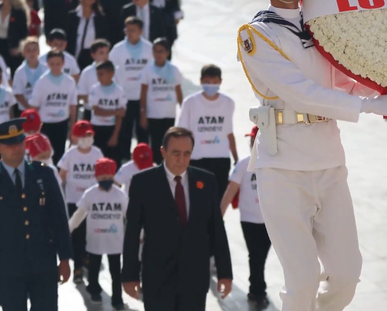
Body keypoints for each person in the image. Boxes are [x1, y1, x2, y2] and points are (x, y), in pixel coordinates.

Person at [237, 0, 387, 311]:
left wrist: (380, 91)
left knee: (346, 273)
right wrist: (365, 107)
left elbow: (343, 73)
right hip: (283, 166)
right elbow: (300, 92)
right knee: (302, 280)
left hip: (328, 160)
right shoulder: (257, 35)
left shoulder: (322, 25)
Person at [122, 127, 233, 310]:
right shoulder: (143, 183)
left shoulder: (207, 181)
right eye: (175, 153)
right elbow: (132, 232)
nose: (181, 160)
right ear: (163, 152)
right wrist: (129, 275)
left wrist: (225, 273)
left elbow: (216, 230)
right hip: (157, 279)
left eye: (186, 154)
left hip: (195, 279)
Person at [0, 118, 73, 311]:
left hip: (43, 263)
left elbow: (58, 219)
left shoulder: (44, 175)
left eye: (19, 142)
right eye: (9, 145)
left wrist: (65, 258)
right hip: (8, 266)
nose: (16, 149)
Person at [220, 126, 272, 309]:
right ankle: (258, 291)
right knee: (255, 255)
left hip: (270, 220)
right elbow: (230, 191)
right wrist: (219, 217)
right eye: (251, 139)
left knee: (261, 256)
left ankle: (255, 285)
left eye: (255, 139)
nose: (252, 142)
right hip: (248, 219)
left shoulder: (275, 164)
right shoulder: (243, 164)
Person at [68, 157, 128, 309]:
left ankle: (117, 298)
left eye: (109, 177)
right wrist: (68, 229)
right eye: (103, 177)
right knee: (93, 269)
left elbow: (131, 216)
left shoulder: (120, 195)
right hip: (95, 239)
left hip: (115, 241)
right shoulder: (90, 194)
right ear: (96, 176)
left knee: (116, 272)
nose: (106, 180)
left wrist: (139, 234)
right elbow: (79, 214)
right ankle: (94, 290)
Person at [178, 64, 237, 195]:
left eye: (214, 82)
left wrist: (236, 158)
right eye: (207, 82)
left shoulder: (228, 102)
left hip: (221, 157)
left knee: (218, 198)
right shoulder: (190, 102)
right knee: (197, 197)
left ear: (220, 81)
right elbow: (182, 133)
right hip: (197, 157)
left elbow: (229, 132)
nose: (211, 85)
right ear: (201, 81)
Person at [58, 120, 104, 283]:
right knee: (77, 235)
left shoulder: (97, 153)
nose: (87, 138)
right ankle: (77, 268)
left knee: (91, 234)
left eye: (89, 134)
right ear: (76, 137)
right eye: (83, 135)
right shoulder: (70, 154)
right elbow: (61, 176)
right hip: (74, 201)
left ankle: (87, 260)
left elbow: (102, 173)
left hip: (93, 202)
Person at [109, 17, 152, 162]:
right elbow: (110, 72)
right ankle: (124, 160)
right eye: (127, 30)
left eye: (133, 30)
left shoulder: (149, 48)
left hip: (143, 98)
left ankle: (144, 160)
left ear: (140, 31)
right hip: (125, 97)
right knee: (124, 132)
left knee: (143, 131)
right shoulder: (118, 49)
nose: (130, 33)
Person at [30, 49, 77, 164]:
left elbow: (73, 106)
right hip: (45, 125)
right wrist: (32, 129)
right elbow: (34, 107)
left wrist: (72, 128)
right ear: (47, 64)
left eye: (58, 64)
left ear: (63, 63)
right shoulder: (41, 82)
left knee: (60, 156)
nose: (55, 67)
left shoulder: (69, 81)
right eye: (52, 64)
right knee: (43, 156)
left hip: (62, 123)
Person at [89, 60, 127, 163]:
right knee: (97, 160)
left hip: (112, 128)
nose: (99, 77)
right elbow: (97, 111)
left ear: (111, 74)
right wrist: (115, 112)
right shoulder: (94, 89)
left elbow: (121, 115)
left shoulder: (119, 91)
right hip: (97, 127)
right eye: (97, 74)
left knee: (113, 160)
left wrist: (115, 135)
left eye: (101, 74)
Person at [64, 0, 109, 70]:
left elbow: (104, 38)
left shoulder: (100, 19)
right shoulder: (72, 16)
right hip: (75, 54)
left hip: (92, 56)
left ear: (93, 0)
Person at [12, 37, 46, 113]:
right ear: (23, 53)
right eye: (28, 50)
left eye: (34, 50)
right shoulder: (19, 72)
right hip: (26, 110)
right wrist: (29, 108)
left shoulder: (46, 69)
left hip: (44, 110)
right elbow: (18, 93)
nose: (32, 53)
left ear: (39, 51)